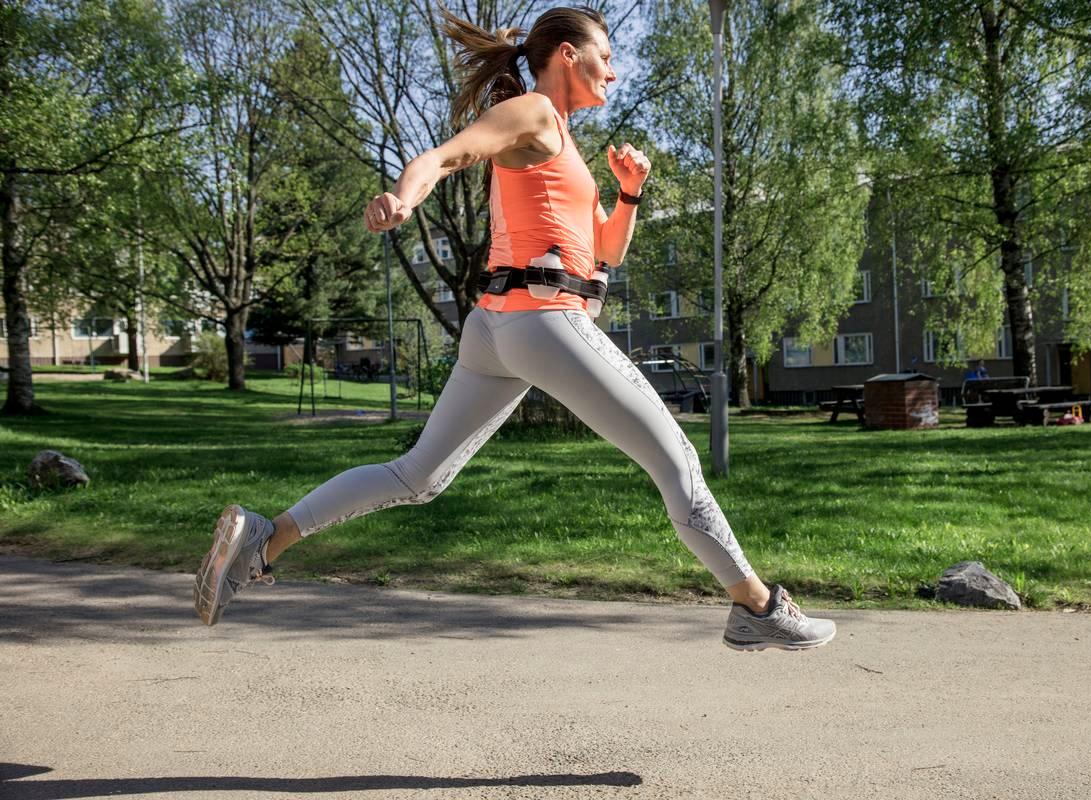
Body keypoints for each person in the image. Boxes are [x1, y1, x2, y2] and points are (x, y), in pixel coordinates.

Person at [193, 5, 835, 652]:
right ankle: (756, 606)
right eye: (605, 56)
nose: (614, 71)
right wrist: (403, 199)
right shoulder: (532, 112)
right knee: (677, 461)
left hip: (499, 328)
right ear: (566, 55)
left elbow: (605, 256)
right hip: (541, 321)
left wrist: (631, 194)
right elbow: (446, 158)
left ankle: (262, 538)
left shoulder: (562, 139)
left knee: (418, 476)